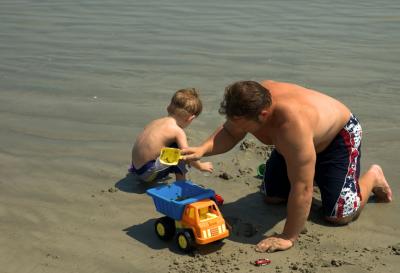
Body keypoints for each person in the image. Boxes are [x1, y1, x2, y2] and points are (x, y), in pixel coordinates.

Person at [181, 80, 392, 252]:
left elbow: (302, 188)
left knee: (338, 215)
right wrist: (202, 149)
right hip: (296, 147)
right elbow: (228, 133)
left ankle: (373, 176)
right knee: (272, 196)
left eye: (242, 125)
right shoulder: (250, 100)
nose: (236, 128)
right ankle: (317, 171)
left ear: (263, 115)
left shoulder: (292, 127)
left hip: (338, 137)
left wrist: (288, 236)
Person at [130, 88, 213, 182]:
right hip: (146, 174)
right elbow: (188, 156)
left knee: (171, 147)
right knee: (181, 152)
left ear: (168, 107)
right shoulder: (178, 131)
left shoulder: (155, 122)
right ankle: (181, 183)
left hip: (136, 168)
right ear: (190, 118)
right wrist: (201, 166)